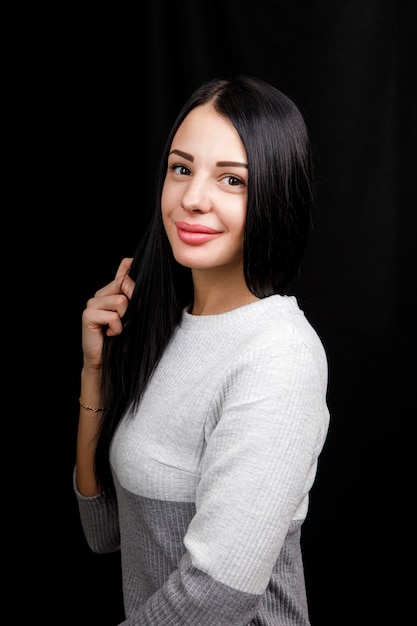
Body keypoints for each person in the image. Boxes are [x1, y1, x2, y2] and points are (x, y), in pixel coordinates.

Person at [74, 75, 330, 625]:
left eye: (232, 180)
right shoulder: (160, 328)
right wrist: (95, 371)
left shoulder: (278, 354)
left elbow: (217, 597)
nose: (193, 197)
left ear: (274, 193)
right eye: (181, 168)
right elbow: (104, 534)